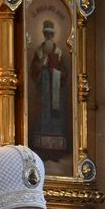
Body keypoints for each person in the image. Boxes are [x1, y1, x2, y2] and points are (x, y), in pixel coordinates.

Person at [29, 20, 69, 160]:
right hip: (43, 94)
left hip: (56, 93)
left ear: (53, 35)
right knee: (42, 119)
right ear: (43, 34)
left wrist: (56, 72)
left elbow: (64, 73)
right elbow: (33, 71)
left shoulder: (58, 53)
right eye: (46, 34)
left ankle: (55, 152)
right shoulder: (39, 52)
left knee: (55, 121)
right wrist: (41, 66)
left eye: (50, 34)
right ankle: (42, 152)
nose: (48, 36)